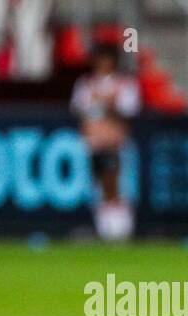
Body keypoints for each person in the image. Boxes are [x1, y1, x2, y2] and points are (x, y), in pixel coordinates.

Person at [71, 43, 140, 241]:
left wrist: (109, 105)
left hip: (115, 143)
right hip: (93, 143)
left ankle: (121, 230)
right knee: (98, 185)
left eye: (106, 59)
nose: (102, 63)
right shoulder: (85, 84)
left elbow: (129, 111)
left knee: (114, 183)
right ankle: (104, 229)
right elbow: (80, 110)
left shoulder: (124, 84)